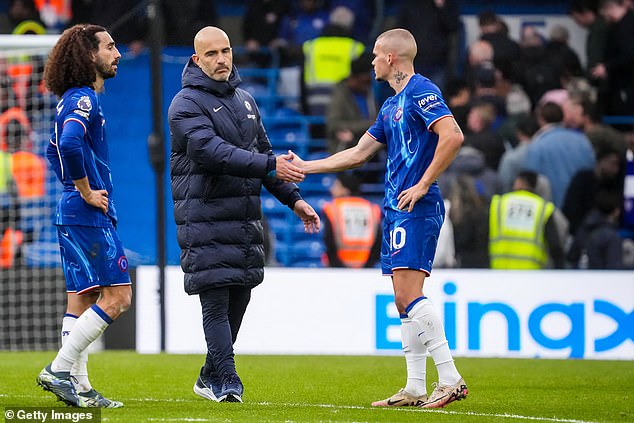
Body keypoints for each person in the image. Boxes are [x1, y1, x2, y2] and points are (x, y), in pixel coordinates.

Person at [290, 28, 468, 409]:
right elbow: (357, 154)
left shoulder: (421, 90)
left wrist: (422, 184)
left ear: (390, 57)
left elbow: (452, 135)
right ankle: (416, 386)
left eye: (374, 55)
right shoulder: (390, 106)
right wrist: (307, 167)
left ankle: (450, 378)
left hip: (415, 206)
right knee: (403, 303)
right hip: (395, 209)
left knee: (409, 295)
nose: (370, 62)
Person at [167, 26, 320, 404]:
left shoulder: (246, 101)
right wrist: (270, 164)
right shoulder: (184, 105)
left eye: (226, 51)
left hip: (243, 220)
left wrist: (294, 199)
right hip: (203, 218)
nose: (221, 59)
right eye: (212, 54)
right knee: (216, 302)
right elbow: (212, 152)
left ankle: (207, 375)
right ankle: (229, 381)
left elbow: (264, 153)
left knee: (240, 300)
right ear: (196, 60)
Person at [37, 24, 129, 408]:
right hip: (85, 211)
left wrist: (73, 186)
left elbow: (51, 149)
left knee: (83, 297)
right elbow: (71, 142)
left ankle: (82, 387)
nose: (117, 53)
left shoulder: (68, 100)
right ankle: (58, 370)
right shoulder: (84, 100)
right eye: (109, 46)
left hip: (70, 209)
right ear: (89, 56)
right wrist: (87, 189)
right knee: (118, 297)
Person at [489, 171, 566, 269]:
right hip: (531, 275)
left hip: (498, 272)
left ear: (518, 182)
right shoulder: (543, 208)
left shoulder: (498, 204)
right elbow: (555, 246)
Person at [322, 173, 381, 268]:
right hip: (366, 268)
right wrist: (368, 265)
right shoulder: (372, 208)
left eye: (336, 186)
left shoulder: (332, 208)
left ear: (345, 189)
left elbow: (328, 240)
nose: (332, 189)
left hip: (337, 267)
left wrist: (336, 265)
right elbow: (378, 241)